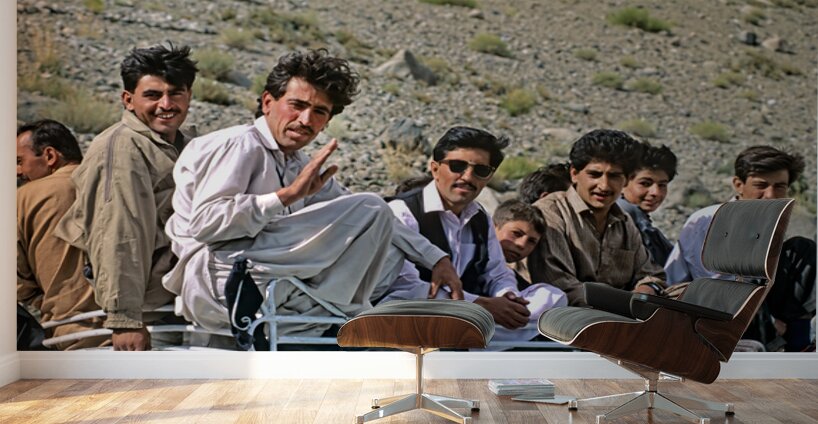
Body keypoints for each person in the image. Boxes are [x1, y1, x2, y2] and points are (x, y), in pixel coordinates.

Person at [163, 49, 462, 342]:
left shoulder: (297, 162)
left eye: (319, 112)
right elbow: (204, 225)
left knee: (386, 242)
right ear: (268, 101)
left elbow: (365, 216)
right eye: (297, 105)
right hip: (221, 276)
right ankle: (324, 317)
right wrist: (283, 197)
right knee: (371, 209)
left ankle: (313, 321)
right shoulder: (239, 145)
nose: (305, 120)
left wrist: (436, 259)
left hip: (264, 273)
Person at [55, 43, 198, 351]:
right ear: (128, 100)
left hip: (177, 304)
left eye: (176, 93)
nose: (166, 104)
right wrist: (125, 320)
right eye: (152, 95)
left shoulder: (188, 145)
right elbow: (118, 236)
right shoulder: (121, 148)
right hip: (146, 312)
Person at [381, 127, 566, 343]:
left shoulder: (479, 217)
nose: (468, 177)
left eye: (480, 170)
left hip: (469, 316)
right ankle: (476, 341)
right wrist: (479, 304)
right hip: (418, 315)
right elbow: (407, 287)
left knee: (551, 297)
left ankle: (472, 341)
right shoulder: (403, 211)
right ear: (435, 168)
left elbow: (497, 273)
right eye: (458, 166)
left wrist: (507, 297)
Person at [665, 145, 814, 351]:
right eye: (761, 185)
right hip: (707, 309)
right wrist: (770, 321)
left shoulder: (772, 223)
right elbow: (715, 286)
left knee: (802, 250)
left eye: (780, 186)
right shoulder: (709, 221)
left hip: (758, 307)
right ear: (738, 184)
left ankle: (799, 349)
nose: (770, 195)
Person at [528, 129, 667, 306]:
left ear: (625, 181)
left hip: (622, 316)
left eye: (614, 176)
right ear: (574, 174)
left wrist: (646, 290)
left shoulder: (624, 221)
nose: (604, 185)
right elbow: (561, 287)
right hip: (565, 321)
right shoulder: (551, 213)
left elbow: (650, 273)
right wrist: (627, 304)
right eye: (594, 174)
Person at [17, 120, 108, 350]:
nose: (17, 171)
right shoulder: (113, 183)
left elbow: (14, 279)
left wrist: (52, 301)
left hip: (71, 330)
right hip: (138, 327)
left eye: (20, 162)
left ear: (49, 156)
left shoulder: (24, 197)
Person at [616, 143, 677, 267]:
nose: (656, 192)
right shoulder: (624, 214)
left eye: (662, 185)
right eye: (645, 183)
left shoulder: (641, 220)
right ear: (623, 183)